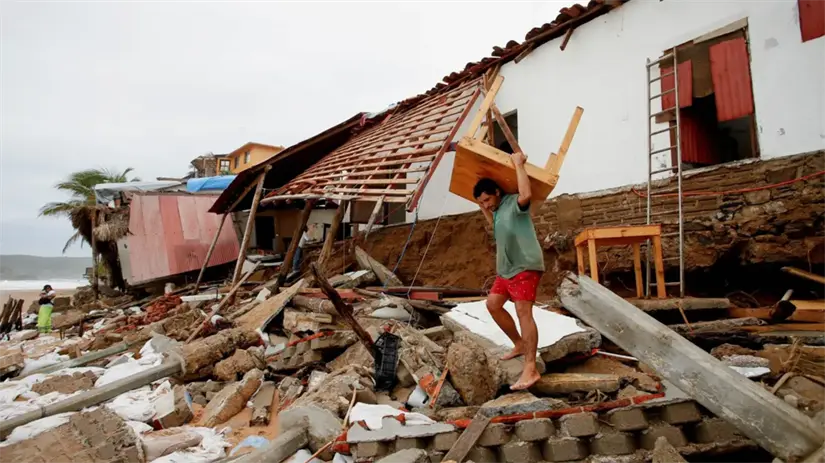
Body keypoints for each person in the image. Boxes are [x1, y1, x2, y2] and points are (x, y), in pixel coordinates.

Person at [474, 151, 545, 390]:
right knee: (493, 305)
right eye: (482, 203)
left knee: (523, 313)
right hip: (506, 270)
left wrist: (518, 164)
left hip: (525, 265)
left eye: (487, 199)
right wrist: (483, 206)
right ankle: (519, 343)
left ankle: (531, 368)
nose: (486, 205)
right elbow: (492, 223)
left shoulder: (513, 203)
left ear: (497, 192)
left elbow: (526, 195)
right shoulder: (497, 213)